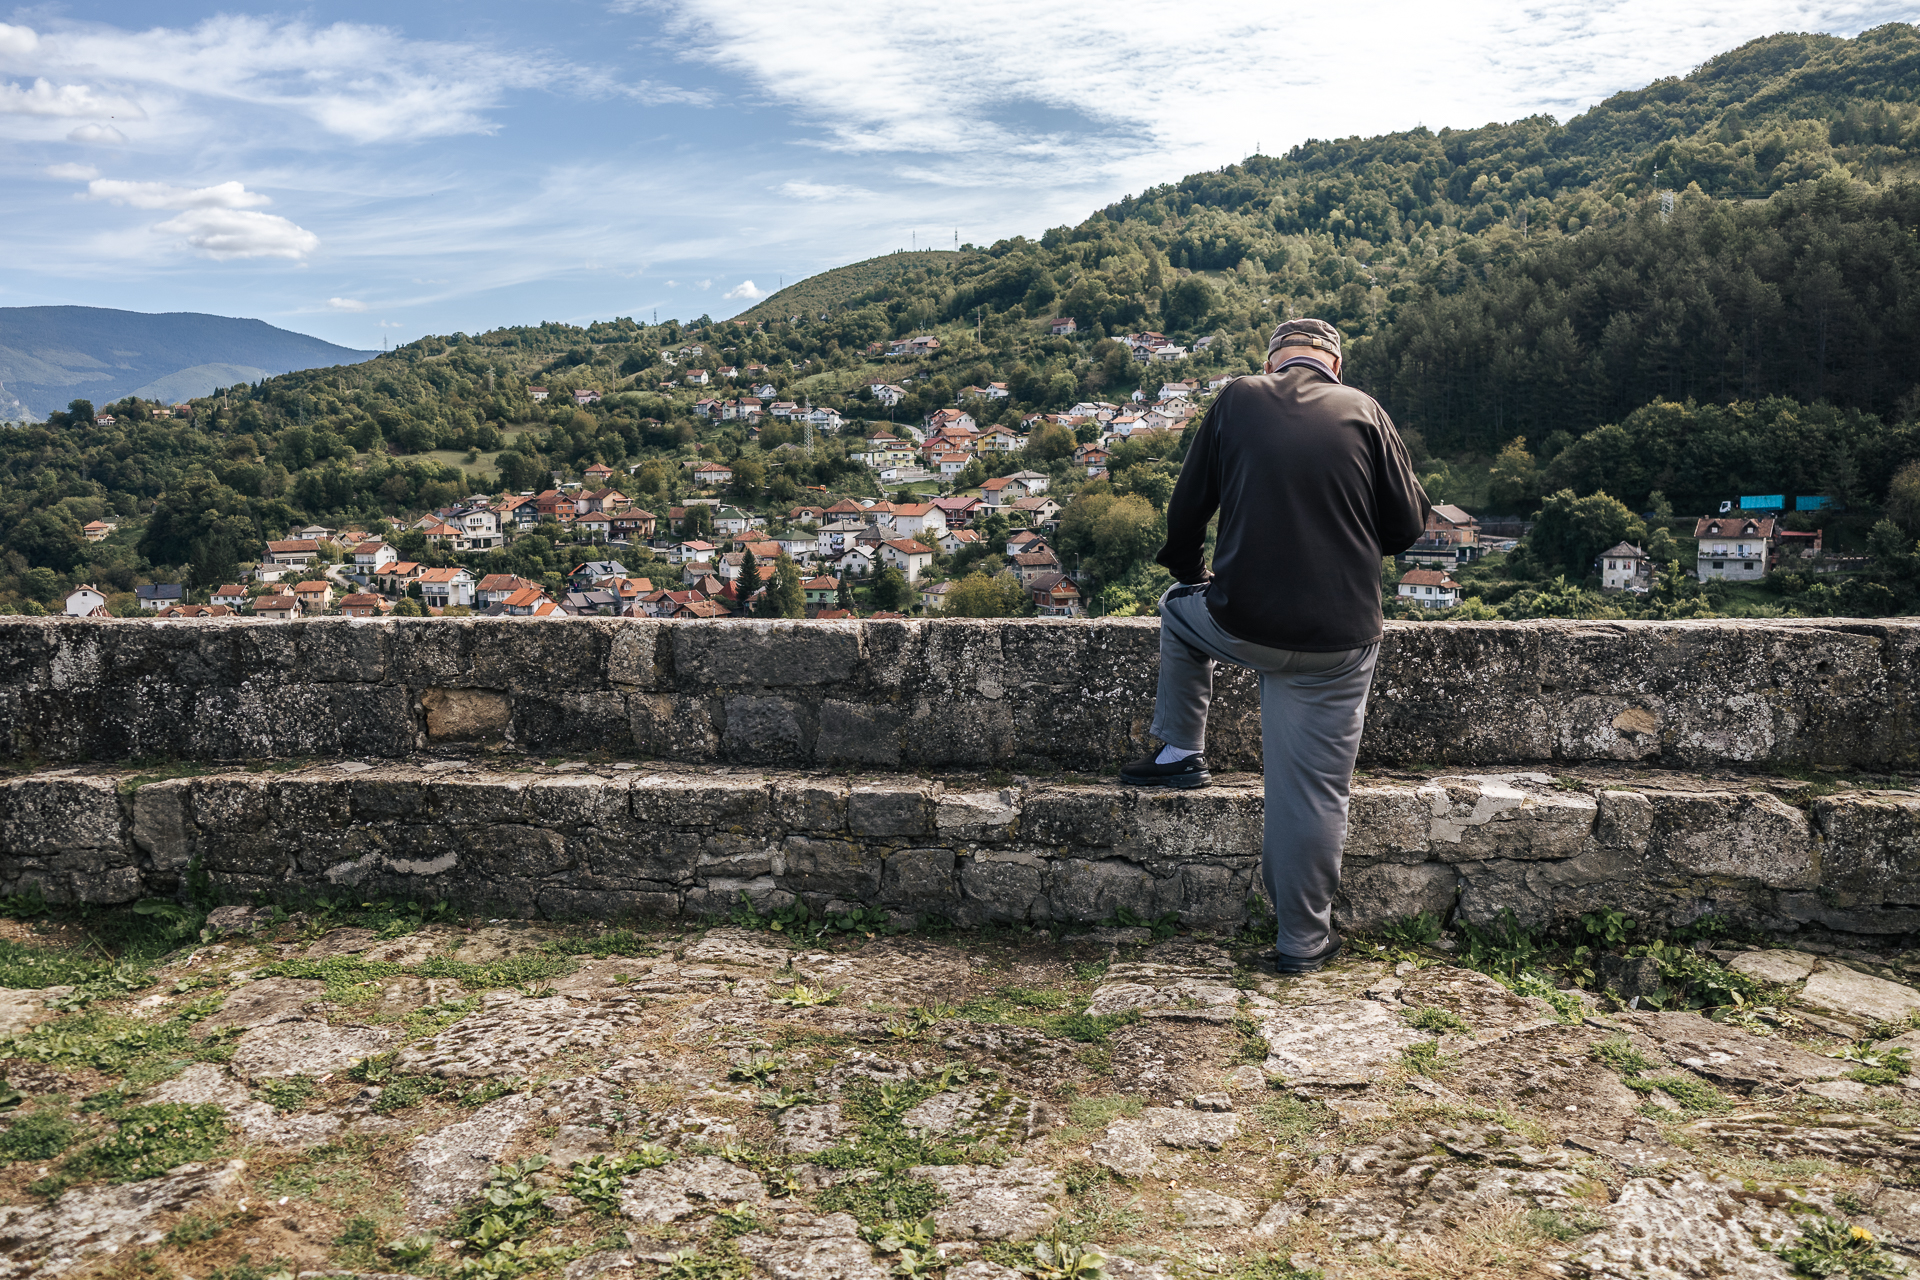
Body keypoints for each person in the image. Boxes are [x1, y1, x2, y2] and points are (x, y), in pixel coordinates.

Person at [1121, 318, 1428, 973]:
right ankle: (1302, 944)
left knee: (1176, 610)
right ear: (1334, 366)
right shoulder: (1365, 410)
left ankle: (1180, 751)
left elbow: (1188, 506)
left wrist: (1191, 573)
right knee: (1311, 795)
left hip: (1243, 623)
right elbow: (1407, 526)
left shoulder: (1238, 396)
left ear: (1272, 363)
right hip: (1340, 640)